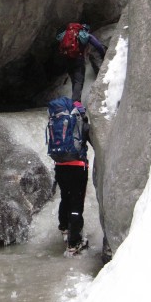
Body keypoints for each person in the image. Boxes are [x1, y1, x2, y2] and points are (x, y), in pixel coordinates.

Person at [53, 100, 92, 257]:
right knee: (76, 203)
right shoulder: (80, 119)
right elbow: (87, 135)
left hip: (60, 165)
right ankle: (74, 243)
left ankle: (64, 227)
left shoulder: (56, 120)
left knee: (65, 197)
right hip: (78, 167)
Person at [57, 23, 107, 102]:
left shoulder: (66, 35)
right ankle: (76, 104)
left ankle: (75, 103)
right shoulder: (85, 35)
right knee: (78, 82)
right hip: (78, 60)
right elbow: (98, 46)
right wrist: (104, 55)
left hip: (67, 60)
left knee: (75, 81)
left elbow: (59, 40)